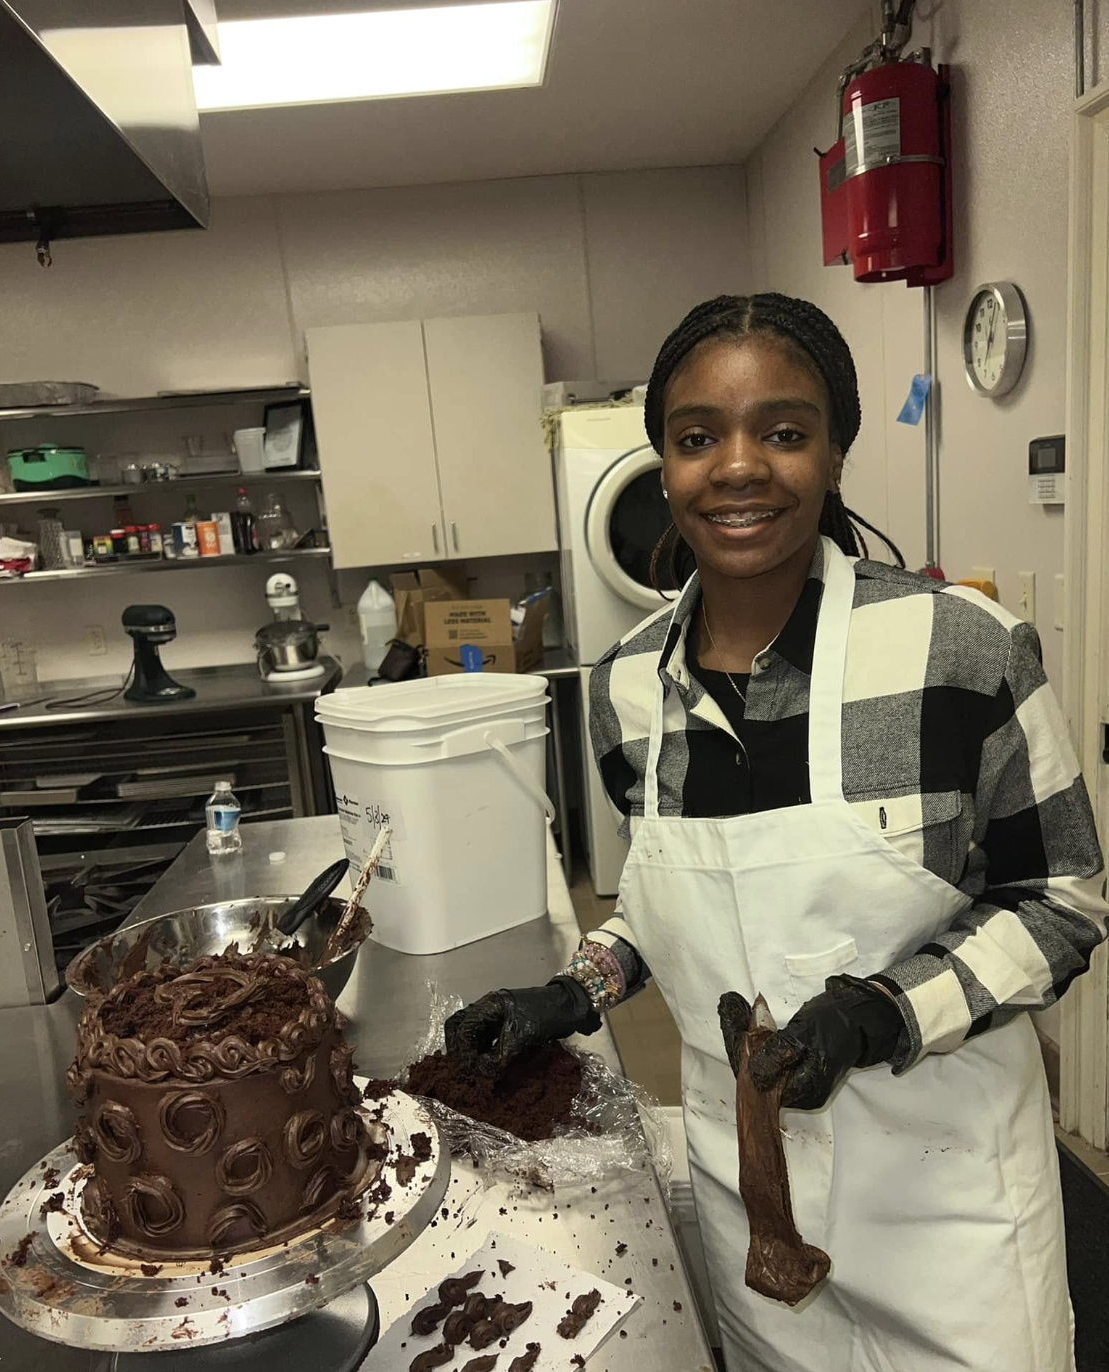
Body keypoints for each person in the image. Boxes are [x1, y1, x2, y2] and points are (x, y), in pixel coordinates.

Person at [445, 294, 1107, 1372]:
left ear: (835, 454)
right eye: (698, 436)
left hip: (950, 1203)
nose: (738, 466)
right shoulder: (628, 690)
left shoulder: (961, 652)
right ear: (665, 463)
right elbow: (670, 911)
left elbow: (1062, 901)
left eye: (784, 432)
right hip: (750, 1198)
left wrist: (879, 1012)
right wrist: (576, 991)